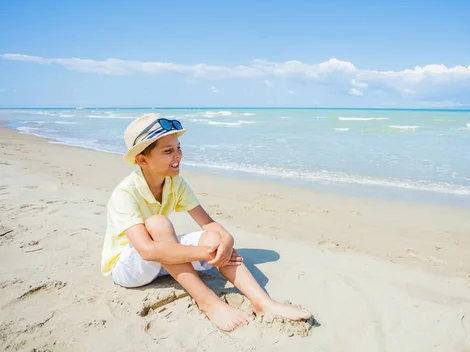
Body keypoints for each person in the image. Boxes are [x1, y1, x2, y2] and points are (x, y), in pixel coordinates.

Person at [100, 113, 312, 331]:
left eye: (178, 148)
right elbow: (147, 251)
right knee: (158, 223)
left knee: (214, 237)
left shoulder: (175, 183)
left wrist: (226, 241)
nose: (178, 155)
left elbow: (209, 224)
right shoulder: (126, 192)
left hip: (162, 260)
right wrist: (207, 253)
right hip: (128, 267)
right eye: (168, 151)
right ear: (142, 160)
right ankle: (208, 303)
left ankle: (264, 303)